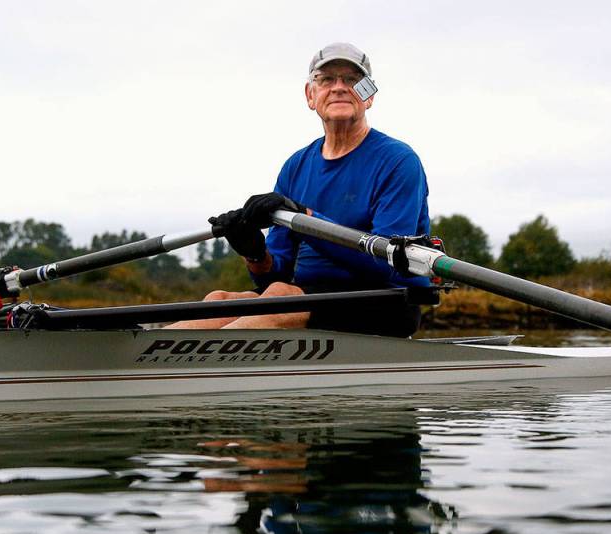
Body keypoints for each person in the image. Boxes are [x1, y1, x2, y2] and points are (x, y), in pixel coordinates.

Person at [168, 42, 431, 337]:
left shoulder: (398, 160)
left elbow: (387, 264)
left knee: (281, 296)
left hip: (386, 299)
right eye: (327, 79)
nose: (340, 87)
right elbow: (274, 276)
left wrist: (305, 218)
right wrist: (254, 254)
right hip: (306, 295)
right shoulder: (295, 166)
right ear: (310, 95)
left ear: (369, 96)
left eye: (352, 80)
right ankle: (144, 356)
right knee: (218, 300)